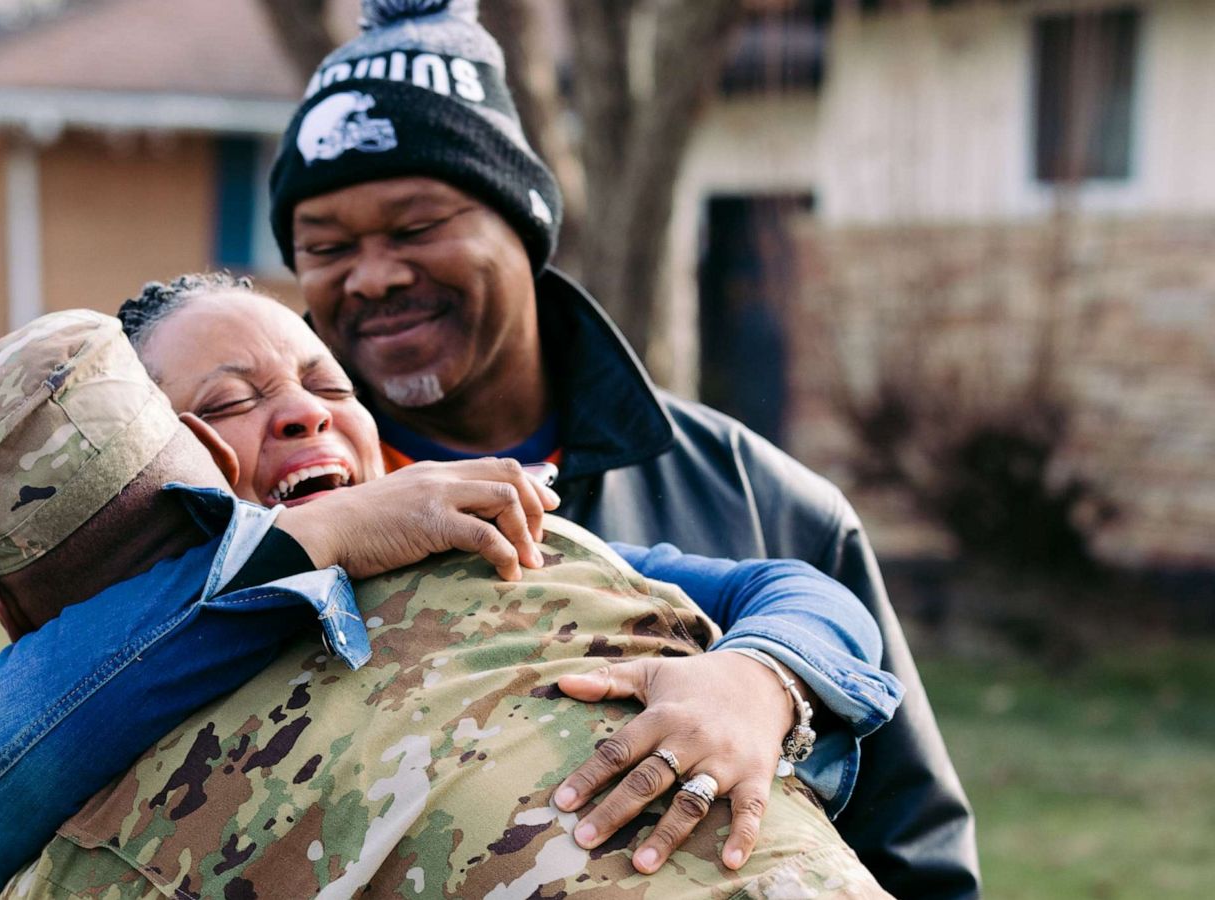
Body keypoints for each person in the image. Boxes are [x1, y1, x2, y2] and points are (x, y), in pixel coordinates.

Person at [262, 1, 978, 895]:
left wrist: (768, 678)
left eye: (415, 227)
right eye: (325, 247)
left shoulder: (764, 504)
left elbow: (914, 857)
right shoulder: (278, 511)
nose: (372, 276)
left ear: (523, 224)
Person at [0, 300, 899, 896]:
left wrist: (757, 676)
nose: (300, 410)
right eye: (224, 404)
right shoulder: (97, 680)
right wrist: (311, 543)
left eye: (325, 382)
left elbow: (794, 587)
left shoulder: (503, 540)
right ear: (179, 466)